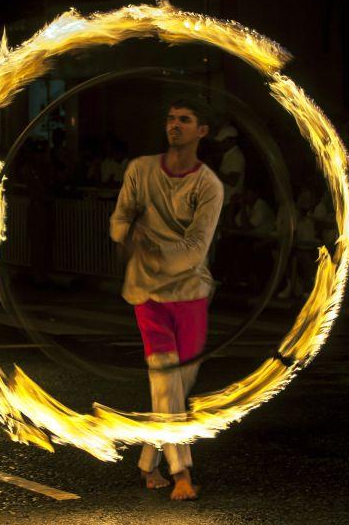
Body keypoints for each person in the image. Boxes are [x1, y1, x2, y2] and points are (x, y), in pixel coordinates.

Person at [110, 98, 223, 501]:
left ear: (202, 131)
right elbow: (119, 220)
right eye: (170, 117)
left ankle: (147, 463)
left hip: (190, 294)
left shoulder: (208, 185)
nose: (174, 125)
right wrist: (128, 236)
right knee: (165, 381)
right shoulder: (140, 169)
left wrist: (154, 252)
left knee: (175, 389)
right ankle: (182, 474)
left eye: (185, 120)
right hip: (148, 294)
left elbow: (196, 248)